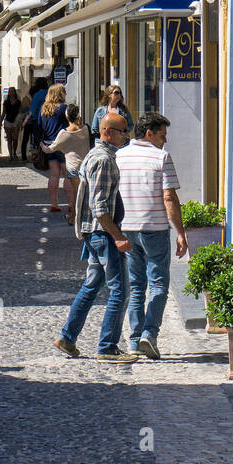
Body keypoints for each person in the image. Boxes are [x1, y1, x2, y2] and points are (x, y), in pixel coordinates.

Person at [53, 111, 137, 362]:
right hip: (102, 234)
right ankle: (108, 346)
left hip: (95, 234)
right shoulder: (103, 160)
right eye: (123, 131)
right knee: (120, 291)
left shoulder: (97, 155)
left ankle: (67, 338)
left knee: (91, 287)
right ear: (107, 132)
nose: (127, 136)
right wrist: (118, 236)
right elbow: (99, 207)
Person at [116, 110, 189, 359]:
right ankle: (149, 333)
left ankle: (135, 341)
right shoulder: (161, 157)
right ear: (149, 134)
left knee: (136, 286)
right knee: (158, 283)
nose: (165, 140)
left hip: (127, 227)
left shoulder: (119, 156)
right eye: (162, 135)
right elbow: (169, 196)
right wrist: (180, 232)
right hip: (155, 228)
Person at [41, 103, 90, 224]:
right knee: (84, 193)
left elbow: (50, 149)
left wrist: (42, 145)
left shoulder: (64, 134)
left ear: (67, 116)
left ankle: (73, 217)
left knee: (75, 193)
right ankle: (82, 215)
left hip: (73, 167)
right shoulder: (85, 129)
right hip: (86, 165)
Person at [34, 83, 70, 212]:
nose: (65, 94)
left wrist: (40, 143)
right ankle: (71, 204)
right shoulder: (64, 108)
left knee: (54, 175)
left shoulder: (43, 109)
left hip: (48, 145)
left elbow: (37, 126)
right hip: (62, 145)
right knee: (67, 175)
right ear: (60, 93)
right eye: (64, 91)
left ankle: (54, 204)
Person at [22, 77, 48, 160]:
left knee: (39, 140)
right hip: (49, 119)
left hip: (38, 120)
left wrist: (25, 121)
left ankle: (41, 157)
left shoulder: (37, 95)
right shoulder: (50, 93)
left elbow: (32, 110)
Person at [2, 88, 25, 162]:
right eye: (10, 92)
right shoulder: (6, 102)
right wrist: (0, 120)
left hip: (16, 121)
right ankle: (11, 155)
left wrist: (21, 122)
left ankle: (14, 152)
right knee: (9, 139)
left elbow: (20, 112)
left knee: (15, 138)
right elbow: (4, 112)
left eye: (12, 92)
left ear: (14, 93)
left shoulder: (18, 102)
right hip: (8, 121)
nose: (11, 93)